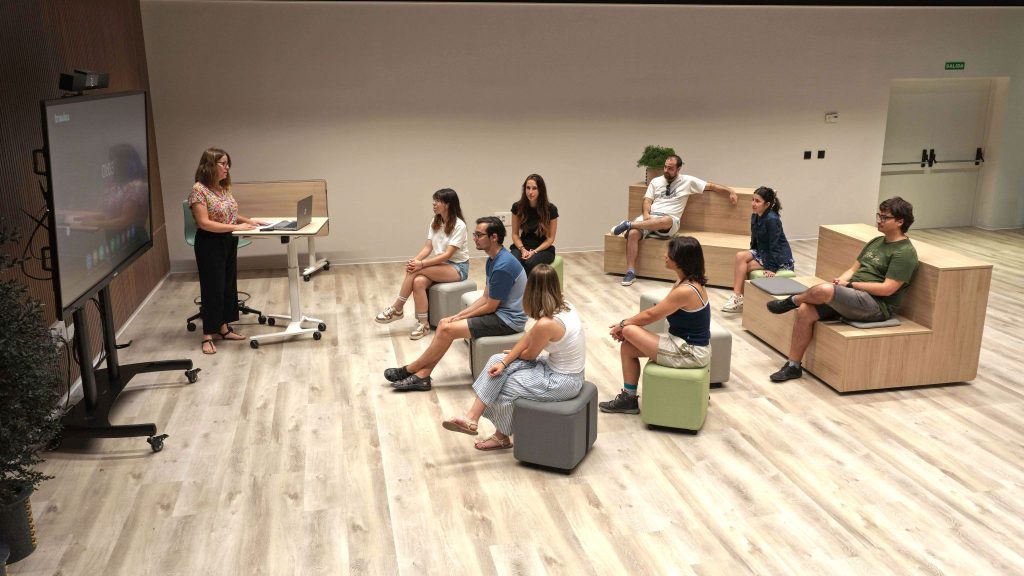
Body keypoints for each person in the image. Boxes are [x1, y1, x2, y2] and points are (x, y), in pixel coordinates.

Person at [766, 197, 918, 383]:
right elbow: (853, 269)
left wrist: (850, 285)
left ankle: (792, 301)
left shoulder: (904, 253)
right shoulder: (877, 241)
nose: (879, 220)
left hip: (876, 305)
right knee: (806, 310)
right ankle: (793, 366)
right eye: (879, 216)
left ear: (900, 221)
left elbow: (887, 289)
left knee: (823, 290)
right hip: (854, 296)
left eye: (885, 217)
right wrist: (842, 281)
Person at [440, 264, 585, 451]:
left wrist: (514, 358)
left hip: (563, 382)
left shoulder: (547, 323)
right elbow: (529, 337)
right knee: (496, 360)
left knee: (503, 385)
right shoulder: (565, 306)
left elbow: (530, 355)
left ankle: (501, 437)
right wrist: (505, 361)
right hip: (553, 368)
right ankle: (471, 418)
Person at [383, 216, 527, 391]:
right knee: (445, 323)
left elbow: (490, 306)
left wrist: (459, 318)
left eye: (479, 235)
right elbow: (485, 297)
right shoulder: (493, 260)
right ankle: (422, 375)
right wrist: (458, 315)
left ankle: (411, 369)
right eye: (474, 234)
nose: (474, 238)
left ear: (494, 237)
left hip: (508, 321)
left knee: (447, 328)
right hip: (499, 314)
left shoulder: (503, 265)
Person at [599, 236, 711, 414]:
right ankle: (629, 398)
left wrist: (622, 325)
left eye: (670, 253)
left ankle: (632, 399)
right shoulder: (686, 282)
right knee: (628, 347)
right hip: (682, 343)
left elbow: (651, 315)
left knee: (629, 330)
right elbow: (656, 312)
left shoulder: (686, 290)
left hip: (690, 352)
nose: (665, 255)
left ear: (681, 260)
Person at [609, 154, 738, 286]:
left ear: (678, 169)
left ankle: (628, 224)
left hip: (669, 220)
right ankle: (630, 272)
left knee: (666, 220)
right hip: (650, 217)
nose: (666, 170)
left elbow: (711, 186)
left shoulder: (688, 181)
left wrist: (730, 191)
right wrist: (646, 214)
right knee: (633, 234)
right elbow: (647, 200)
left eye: (670, 168)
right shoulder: (656, 181)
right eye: (665, 167)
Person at [188, 148, 268, 355]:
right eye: (223, 163)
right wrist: (236, 227)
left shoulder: (222, 188)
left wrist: (250, 221)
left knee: (227, 285)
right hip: (209, 242)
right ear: (210, 165)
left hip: (228, 239)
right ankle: (207, 335)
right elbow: (204, 223)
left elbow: (230, 213)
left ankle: (223, 328)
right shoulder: (199, 190)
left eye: (227, 163)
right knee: (212, 287)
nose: (227, 167)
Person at [374, 188, 469, 339]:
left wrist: (421, 265)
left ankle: (397, 307)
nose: (434, 204)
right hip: (441, 265)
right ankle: (424, 325)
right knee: (418, 281)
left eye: (438, 201)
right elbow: (428, 247)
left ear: (448, 204)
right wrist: (415, 261)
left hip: (457, 267)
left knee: (417, 270)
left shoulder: (459, 225)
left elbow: (447, 255)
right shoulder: (435, 221)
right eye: (434, 200)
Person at [722, 186, 795, 313]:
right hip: (762, 252)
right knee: (740, 256)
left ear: (767, 204)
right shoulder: (755, 216)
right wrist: (750, 253)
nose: (753, 204)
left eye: (757, 201)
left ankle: (741, 299)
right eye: (753, 200)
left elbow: (775, 245)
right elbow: (754, 239)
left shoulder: (772, 219)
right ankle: (737, 296)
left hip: (779, 258)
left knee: (746, 266)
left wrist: (772, 268)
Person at [509, 174, 559, 275]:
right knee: (513, 262)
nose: (530, 192)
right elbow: (515, 234)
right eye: (528, 188)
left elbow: (550, 239)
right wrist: (523, 249)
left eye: (534, 188)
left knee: (529, 264)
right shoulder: (517, 207)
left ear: (541, 190)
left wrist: (534, 251)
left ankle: (528, 286)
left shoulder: (551, 209)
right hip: (522, 246)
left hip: (543, 249)